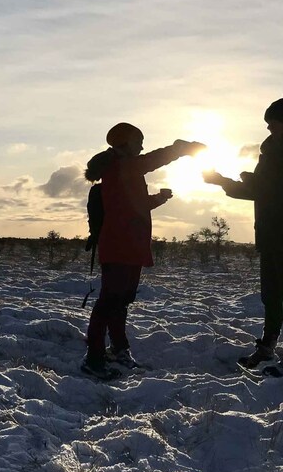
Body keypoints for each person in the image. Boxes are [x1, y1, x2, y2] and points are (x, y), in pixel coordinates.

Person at [203, 88, 283, 373]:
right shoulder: (269, 153)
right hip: (269, 233)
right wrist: (222, 181)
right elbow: (258, 190)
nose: (268, 127)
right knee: (270, 295)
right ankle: (267, 347)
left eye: (273, 122)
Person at [82, 122, 205, 379]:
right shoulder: (122, 166)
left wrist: (158, 199)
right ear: (125, 144)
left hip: (128, 246)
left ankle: (118, 350)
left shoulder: (125, 170)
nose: (142, 146)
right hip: (119, 246)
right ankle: (93, 359)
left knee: (120, 302)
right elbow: (153, 160)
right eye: (139, 141)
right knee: (109, 302)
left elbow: (135, 206)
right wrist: (180, 149)